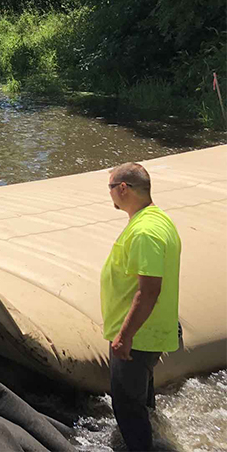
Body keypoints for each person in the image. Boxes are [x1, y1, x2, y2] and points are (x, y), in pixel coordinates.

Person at [101, 162, 181, 451]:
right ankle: (157, 441)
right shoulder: (156, 218)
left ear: (123, 188)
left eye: (110, 188)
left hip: (138, 336)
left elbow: (148, 291)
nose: (109, 194)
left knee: (127, 408)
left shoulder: (145, 232)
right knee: (143, 400)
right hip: (150, 330)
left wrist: (124, 336)